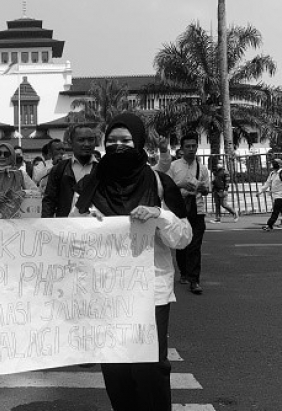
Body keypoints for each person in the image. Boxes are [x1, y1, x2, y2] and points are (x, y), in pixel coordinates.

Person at [71, 113, 192, 411]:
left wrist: (159, 215)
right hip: (106, 293)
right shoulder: (91, 184)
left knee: (150, 367)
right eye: (111, 141)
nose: (118, 146)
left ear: (138, 143)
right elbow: (72, 234)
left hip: (150, 292)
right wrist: (88, 223)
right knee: (115, 370)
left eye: (125, 140)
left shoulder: (159, 183)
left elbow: (184, 238)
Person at [165, 133, 210, 295]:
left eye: (194, 146)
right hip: (179, 211)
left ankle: (194, 280)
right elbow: (166, 187)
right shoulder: (174, 166)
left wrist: (202, 188)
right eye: (188, 146)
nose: (191, 149)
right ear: (182, 149)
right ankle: (184, 272)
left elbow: (207, 190)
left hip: (197, 211)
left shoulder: (202, 168)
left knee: (195, 246)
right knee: (181, 244)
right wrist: (180, 185)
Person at [42, 124, 99, 218]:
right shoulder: (59, 169)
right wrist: (45, 227)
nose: (87, 144)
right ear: (70, 143)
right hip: (67, 228)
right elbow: (49, 201)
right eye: (81, 140)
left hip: (96, 227)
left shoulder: (103, 169)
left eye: (91, 139)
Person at [257, 159, 282, 231]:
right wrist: (260, 191)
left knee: (276, 211)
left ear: (279, 165)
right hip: (275, 195)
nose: (274, 164)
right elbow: (267, 183)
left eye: (275, 163)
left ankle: (269, 224)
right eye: (273, 163)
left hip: (281, 196)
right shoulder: (272, 173)